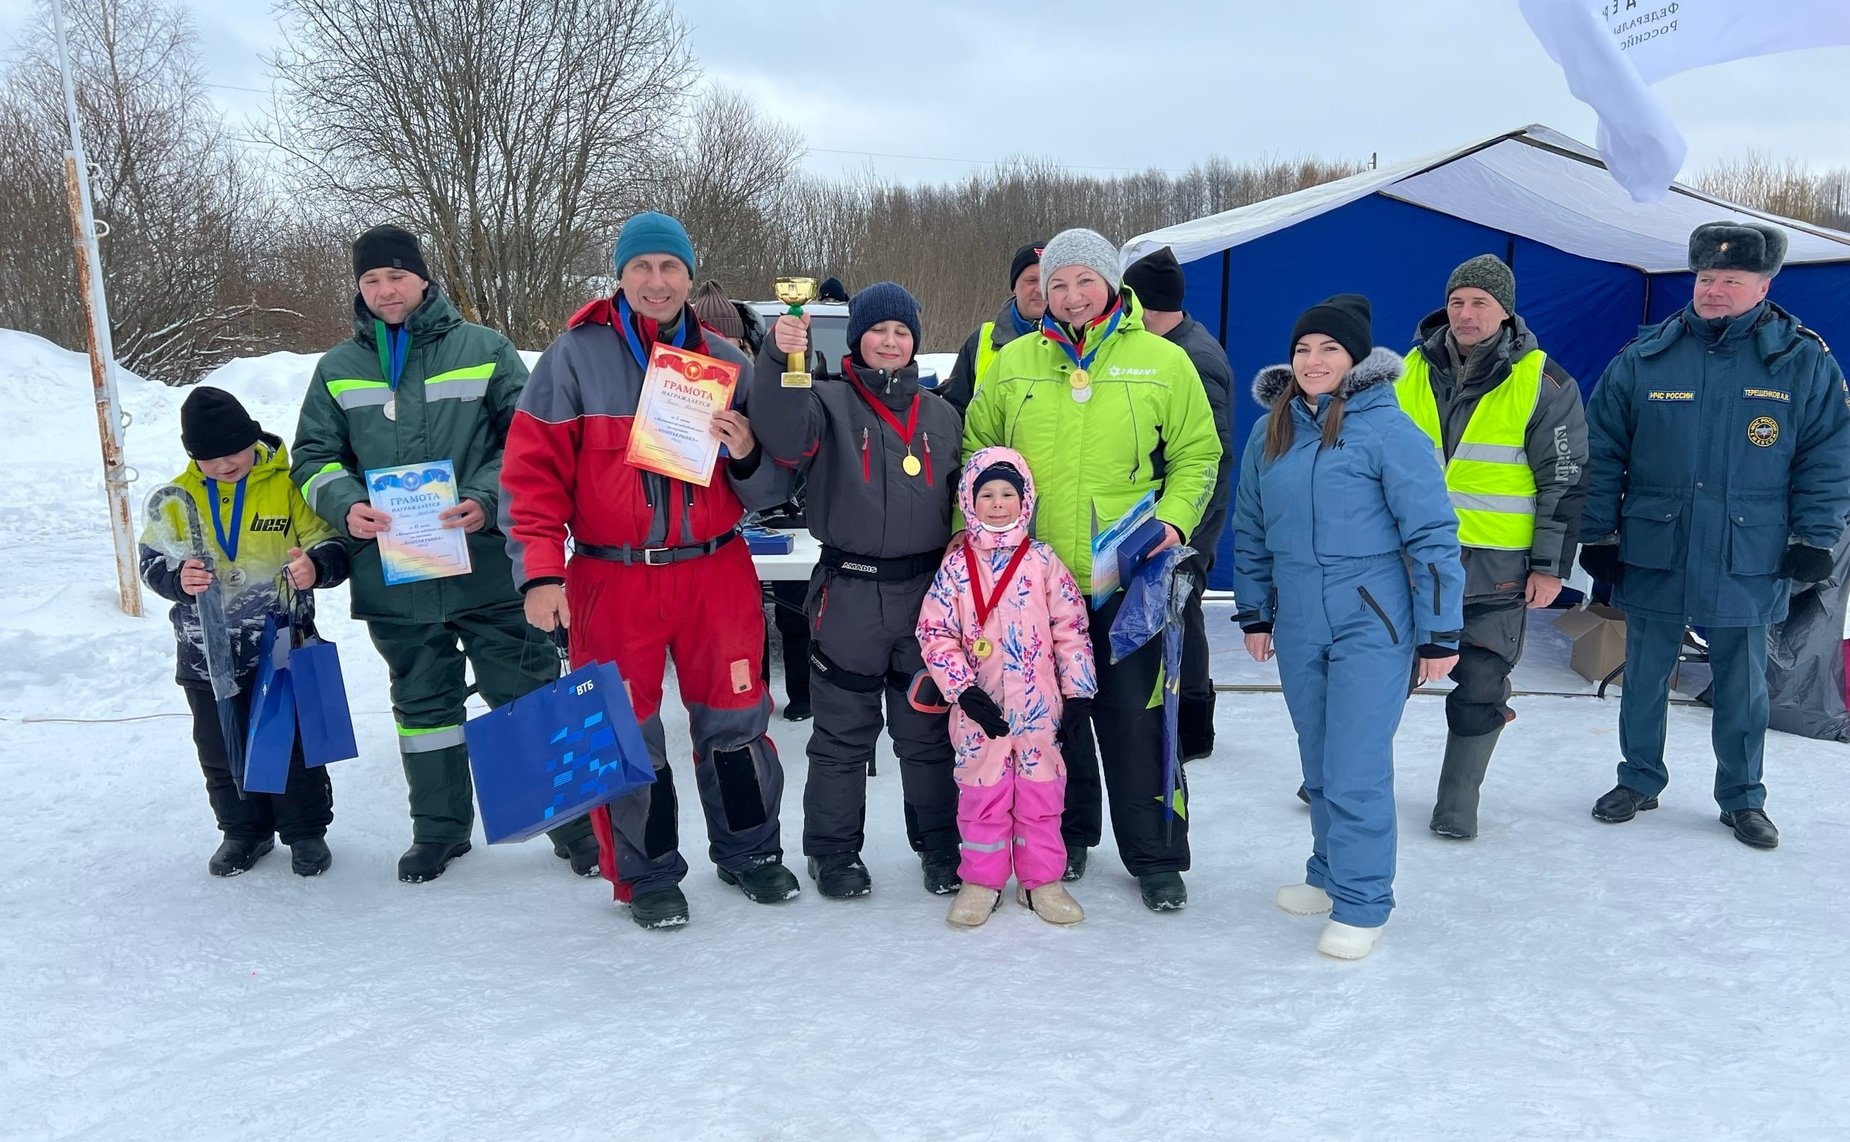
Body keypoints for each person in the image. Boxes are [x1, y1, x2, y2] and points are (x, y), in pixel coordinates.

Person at [502, 212, 798, 929]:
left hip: (715, 569)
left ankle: (749, 852)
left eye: (670, 268)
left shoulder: (729, 360)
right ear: (621, 274)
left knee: (736, 719)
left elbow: (773, 491)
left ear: (690, 278)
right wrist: (540, 574)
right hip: (612, 575)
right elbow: (529, 478)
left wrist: (749, 452)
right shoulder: (572, 357)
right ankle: (648, 873)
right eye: (643, 268)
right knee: (625, 732)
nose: (657, 281)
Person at [291, 224, 598, 884]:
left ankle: (578, 829)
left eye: (395, 276)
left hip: (486, 565)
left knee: (527, 695)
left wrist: (486, 498)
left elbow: (526, 440)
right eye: (371, 280)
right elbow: (312, 458)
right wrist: (345, 503)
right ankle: (439, 831)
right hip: (395, 577)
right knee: (423, 707)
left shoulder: (483, 349)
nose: (384, 290)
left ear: (423, 278)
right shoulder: (337, 369)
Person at [962, 227, 1220, 912]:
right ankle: (1066, 837)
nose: (1072, 296)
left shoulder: (1162, 362)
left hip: (1125, 578)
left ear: (1111, 284)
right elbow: (977, 449)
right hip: (1036, 584)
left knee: (1136, 721)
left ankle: (1157, 857)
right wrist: (988, 536)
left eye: (1084, 281)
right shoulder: (1013, 363)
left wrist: (1175, 518)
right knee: (1053, 723)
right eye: (1058, 284)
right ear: (1042, 292)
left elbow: (1200, 453)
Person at [1579, 221, 1850, 850]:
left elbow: (1827, 458)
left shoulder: (1800, 360)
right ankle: (1639, 778)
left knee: (1742, 683)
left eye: (1731, 280)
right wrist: (1599, 534)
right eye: (1706, 278)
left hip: (1747, 551)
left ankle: (1742, 798)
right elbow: (1603, 450)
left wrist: (1814, 536)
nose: (1715, 290)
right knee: (1644, 674)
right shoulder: (1646, 355)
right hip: (1656, 544)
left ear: (1763, 286)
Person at [1232, 294, 1464, 960]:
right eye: (1304, 348)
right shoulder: (1270, 431)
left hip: (1373, 619)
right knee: (1319, 760)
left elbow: (1433, 534)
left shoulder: (1389, 431)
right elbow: (1251, 529)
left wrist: (1439, 632)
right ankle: (1328, 875)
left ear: (1356, 359)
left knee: (1357, 765)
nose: (1313, 360)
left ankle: (1364, 901)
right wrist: (1255, 611)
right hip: (1301, 619)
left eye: (1329, 349)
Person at [753, 281, 964, 900]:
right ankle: (833, 852)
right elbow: (784, 434)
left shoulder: (943, 415)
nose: (891, 341)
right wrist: (778, 358)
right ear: (856, 339)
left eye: (902, 332)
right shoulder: (822, 401)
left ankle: (940, 847)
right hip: (848, 595)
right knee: (843, 734)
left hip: (928, 598)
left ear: (915, 342)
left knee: (925, 734)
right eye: (879, 331)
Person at [1395, 254, 1589, 840]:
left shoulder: (1543, 381)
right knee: (1378, 671)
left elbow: (1566, 476)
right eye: (1457, 301)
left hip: (1495, 566)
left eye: (1480, 302)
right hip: (1408, 557)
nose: (1466, 313)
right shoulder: (1404, 370)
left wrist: (1550, 567)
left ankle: (1457, 802)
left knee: (1481, 681)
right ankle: (1339, 777)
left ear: (1505, 312)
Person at [142, 387, 350, 877]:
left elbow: (330, 542)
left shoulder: (287, 485)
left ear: (252, 440)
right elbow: (153, 559)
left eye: (232, 452)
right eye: (208, 458)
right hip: (204, 649)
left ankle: (304, 833)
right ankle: (243, 832)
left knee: (292, 743)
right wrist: (178, 579)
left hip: (279, 642)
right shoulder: (178, 495)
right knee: (220, 746)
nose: (223, 465)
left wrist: (314, 567)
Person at [916, 448, 1097, 927]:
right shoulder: (956, 566)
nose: (998, 504)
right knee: (983, 797)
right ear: (969, 502)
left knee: (1041, 797)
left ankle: (1042, 884)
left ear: (1025, 500)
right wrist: (962, 689)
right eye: (987, 495)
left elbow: (1071, 628)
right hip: (980, 712)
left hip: (1040, 710)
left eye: (1008, 494)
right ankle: (982, 881)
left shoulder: (1042, 562)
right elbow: (934, 632)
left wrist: (1078, 695)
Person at [1122, 246, 1235, 761]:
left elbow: (1211, 454)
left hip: (1188, 517)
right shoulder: (1175, 343)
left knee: (1180, 609)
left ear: (1142, 306)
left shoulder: (1193, 358)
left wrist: (1184, 528)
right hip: (1172, 512)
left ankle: (1194, 728)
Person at [696, 279, 813, 720]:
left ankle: (803, 694)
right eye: (709, 335)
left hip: (784, 514)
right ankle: (754, 692)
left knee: (793, 610)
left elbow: (793, 429)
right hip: (726, 527)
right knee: (745, 621)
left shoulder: (759, 377)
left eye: (727, 338)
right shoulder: (681, 382)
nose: (718, 346)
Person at [940, 241, 1045, 415]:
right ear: (1014, 286)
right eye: (1031, 280)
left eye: (1048, 280)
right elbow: (954, 412)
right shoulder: (980, 342)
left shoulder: (1081, 343)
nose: (1040, 289)